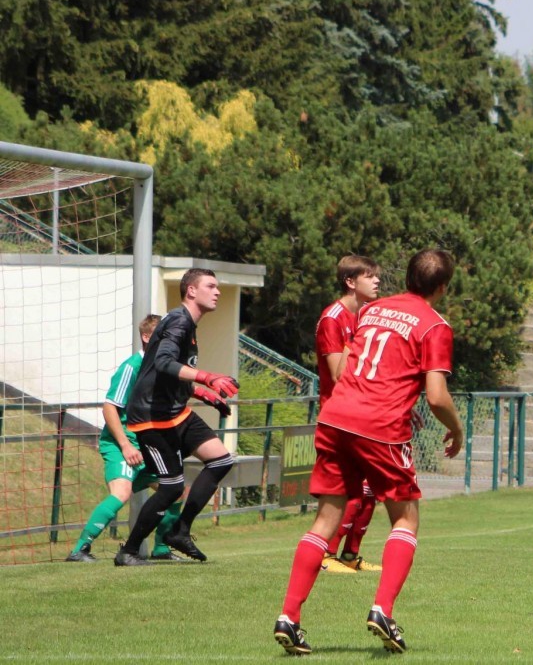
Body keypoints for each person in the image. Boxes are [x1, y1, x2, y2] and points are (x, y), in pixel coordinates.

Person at [274, 249, 465, 655]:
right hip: (379, 425)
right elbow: (436, 396)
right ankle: (383, 610)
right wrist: (457, 428)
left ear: (409, 275)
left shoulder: (373, 311)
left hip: (336, 415)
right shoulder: (434, 326)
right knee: (406, 517)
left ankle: (289, 617)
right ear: (443, 287)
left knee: (327, 518)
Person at [113, 269, 239, 566]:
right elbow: (164, 363)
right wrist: (208, 378)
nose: (217, 291)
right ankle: (128, 551)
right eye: (211, 286)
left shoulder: (186, 323)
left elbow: (168, 375)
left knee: (221, 459)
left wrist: (199, 393)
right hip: (153, 419)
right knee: (171, 487)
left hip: (176, 412)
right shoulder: (179, 321)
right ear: (191, 291)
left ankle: (180, 531)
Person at [66, 315, 187, 563]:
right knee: (121, 493)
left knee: (176, 490)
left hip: (147, 444)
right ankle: (80, 549)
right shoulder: (132, 367)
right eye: (163, 336)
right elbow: (109, 407)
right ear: (146, 337)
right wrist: (125, 445)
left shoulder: (162, 369)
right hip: (122, 444)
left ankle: (162, 548)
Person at [315, 255, 383, 575]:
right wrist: (357, 340)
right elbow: (338, 374)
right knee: (349, 492)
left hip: (364, 414)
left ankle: (350, 555)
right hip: (338, 417)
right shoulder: (333, 318)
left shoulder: (363, 316)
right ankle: (326, 556)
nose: (377, 282)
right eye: (370, 277)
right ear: (350, 282)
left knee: (372, 491)